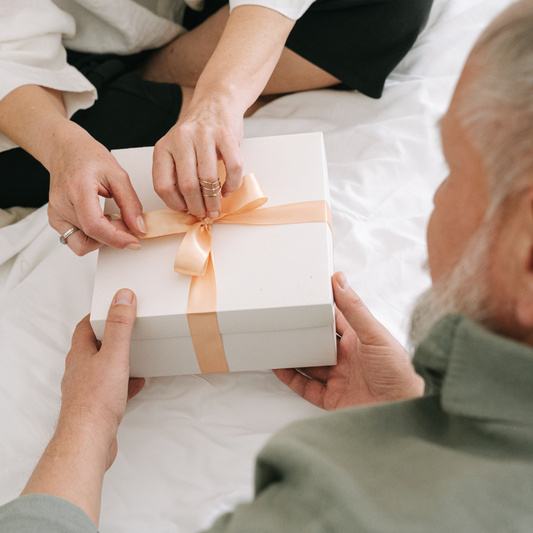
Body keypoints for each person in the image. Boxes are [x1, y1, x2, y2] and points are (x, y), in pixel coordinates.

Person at [3, 0, 533, 530]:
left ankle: (149, 88)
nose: (434, 199)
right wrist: (405, 407)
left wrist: (86, 423)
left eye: (454, 170)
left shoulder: (311, 507)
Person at [0, 0, 433, 256]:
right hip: (52, 55)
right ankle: (194, 82)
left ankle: (175, 78)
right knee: (24, 165)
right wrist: (61, 146)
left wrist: (219, 98)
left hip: (211, 18)